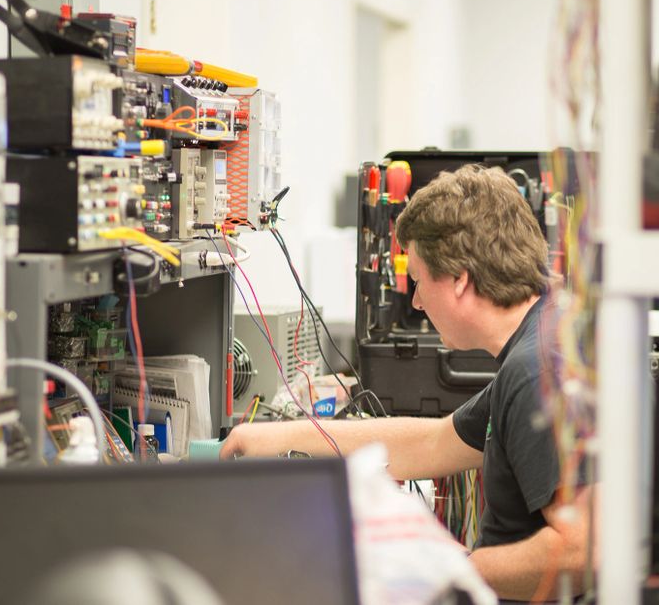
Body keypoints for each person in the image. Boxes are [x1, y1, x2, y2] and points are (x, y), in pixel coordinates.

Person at [221, 163, 589, 601]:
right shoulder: (544, 338)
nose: (414, 301)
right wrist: (269, 438)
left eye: (416, 281)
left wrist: (445, 566)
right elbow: (433, 442)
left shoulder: (538, 370)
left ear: (459, 279)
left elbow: (581, 551)